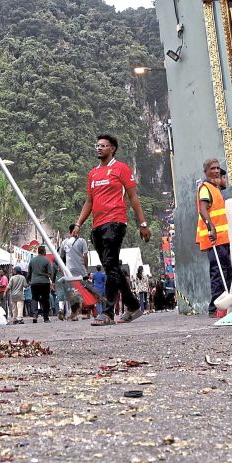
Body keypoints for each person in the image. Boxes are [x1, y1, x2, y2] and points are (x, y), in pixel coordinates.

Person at [74, 133, 150, 326]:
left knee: (109, 263)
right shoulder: (92, 174)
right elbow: (89, 202)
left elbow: (133, 197)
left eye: (104, 145)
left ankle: (107, 313)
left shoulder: (121, 169)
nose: (99, 148)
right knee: (112, 266)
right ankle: (133, 306)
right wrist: (78, 224)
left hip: (115, 222)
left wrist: (143, 224)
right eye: (97, 145)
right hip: (97, 225)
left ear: (112, 149)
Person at [196, 158, 232, 317]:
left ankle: (224, 305)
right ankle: (215, 308)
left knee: (227, 271)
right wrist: (211, 227)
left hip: (223, 237)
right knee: (218, 272)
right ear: (206, 171)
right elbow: (203, 209)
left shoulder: (215, 188)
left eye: (218, 168)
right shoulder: (205, 188)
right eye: (213, 168)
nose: (217, 171)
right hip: (214, 237)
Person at [59, 224, 89, 321]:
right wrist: (86, 268)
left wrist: (62, 267)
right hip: (81, 271)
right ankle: (84, 313)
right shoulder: (82, 241)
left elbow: (61, 257)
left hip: (69, 272)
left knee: (72, 293)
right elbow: (85, 256)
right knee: (83, 291)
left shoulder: (64, 242)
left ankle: (74, 314)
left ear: (69, 231)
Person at [28, 245, 56, 324]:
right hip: (44, 283)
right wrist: (51, 280)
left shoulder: (32, 260)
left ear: (38, 251)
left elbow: (29, 273)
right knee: (45, 299)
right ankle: (46, 317)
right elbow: (50, 273)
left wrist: (29, 280)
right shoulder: (47, 260)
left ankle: (34, 316)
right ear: (44, 251)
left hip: (34, 283)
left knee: (34, 298)